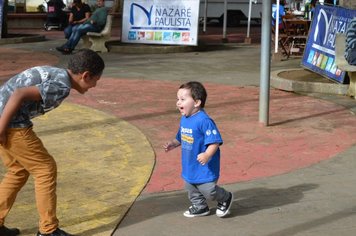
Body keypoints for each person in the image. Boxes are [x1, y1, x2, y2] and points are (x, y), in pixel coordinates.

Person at [0, 49, 105, 236]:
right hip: (10, 125)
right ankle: (48, 230)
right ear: (86, 75)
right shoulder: (61, 86)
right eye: (96, 79)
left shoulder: (55, 73)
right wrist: (1, 129)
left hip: (5, 118)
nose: (95, 85)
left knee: (18, 170)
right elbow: (18, 94)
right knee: (45, 169)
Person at [163, 81, 233, 218]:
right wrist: (173, 143)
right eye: (177, 99)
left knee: (209, 191)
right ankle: (201, 207)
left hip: (205, 166)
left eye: (182, 99)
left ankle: (225, 197)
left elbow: (215, 142)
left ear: (196, 103)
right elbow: (182, 135)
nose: (178, 102)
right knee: (190, 187)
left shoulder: (204, 121)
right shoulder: (185, 118)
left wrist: (207, 155)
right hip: (190, 165)